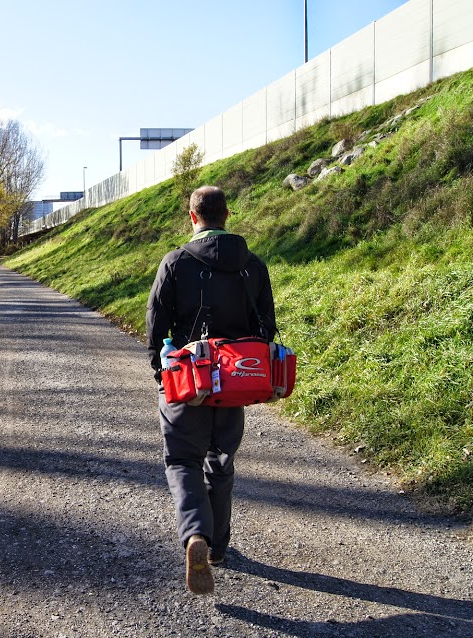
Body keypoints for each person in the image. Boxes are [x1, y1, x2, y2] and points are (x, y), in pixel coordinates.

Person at [146, 185, 277, 595]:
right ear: (227, 214)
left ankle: (195, 536)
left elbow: (155, 325)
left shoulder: (175, 262)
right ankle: (218, 548)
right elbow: (267, 328)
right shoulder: (252, 266)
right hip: (236, 383)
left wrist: (161, 373)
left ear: (192, 216)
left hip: (189, 381)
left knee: (183, 459)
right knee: (221, 462)